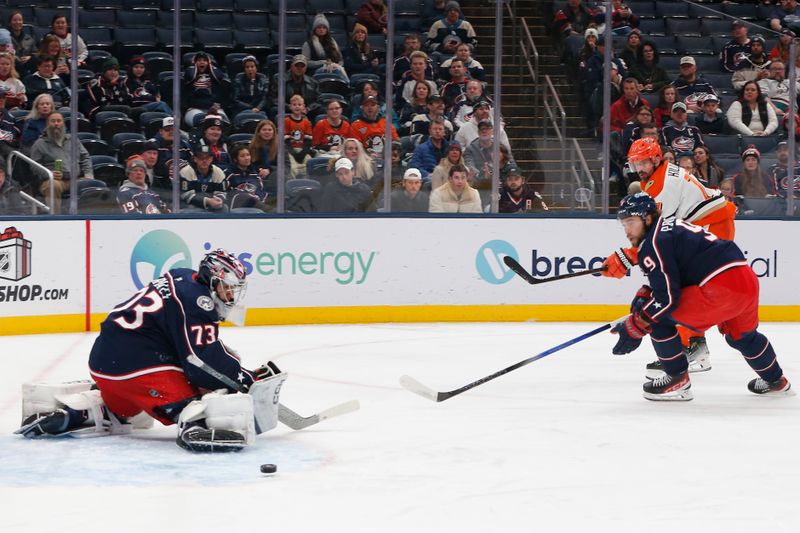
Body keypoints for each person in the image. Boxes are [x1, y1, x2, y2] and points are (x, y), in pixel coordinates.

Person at [16, 248, 285, 453]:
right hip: (137, 369)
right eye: (227, 287)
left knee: (127, 405)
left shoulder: (182, 276)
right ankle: (193, 425)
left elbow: (183, 339)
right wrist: (243, 378)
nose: (230, 295)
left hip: (105, 364)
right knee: (201, 396)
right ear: (212, 280)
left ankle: (85, 412)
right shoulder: (199, 302)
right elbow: (201, 362)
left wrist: (232, 365)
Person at [608, 192, 791, 400]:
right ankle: (776, 380)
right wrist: (648, 293)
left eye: (630, 222)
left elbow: (665, 300)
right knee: (743, 337)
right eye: (623, 224)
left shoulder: (653, 243)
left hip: (718, 288)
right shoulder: (671, 226)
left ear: (647, 218)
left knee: (654, 317)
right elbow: (677, 278)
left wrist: (637, 324)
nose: (627, 231)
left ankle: (677, 379)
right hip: (745, 279)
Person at [603, 137, 737, 379]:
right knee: (682, 287)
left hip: (713, 225)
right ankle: (694, 346)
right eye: (635, 164)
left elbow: (658, 237)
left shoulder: (664, 185)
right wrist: (628, 257)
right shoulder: (655, 178)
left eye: (643, 162)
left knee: (683, 289)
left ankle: (691, 348)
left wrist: (627, 257)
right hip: (709, 222)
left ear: (656, 159)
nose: (639, 169)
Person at [30, 111, 94, 214]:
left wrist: (88, 174)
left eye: (59, 121)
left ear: (63, 123)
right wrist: (49, 173)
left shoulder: (73, 140)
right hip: (54, 181)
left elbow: (85, 157)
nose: (56, 124)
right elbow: (34, 166)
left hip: (76, 179)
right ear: (48, 124)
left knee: (92, 184)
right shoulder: (39, 144)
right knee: (53, 185)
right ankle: (56, 219)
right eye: (53, 121)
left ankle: (89, 219)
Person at [183, 51, 228, 128]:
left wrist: (210, 66)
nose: (202, 62)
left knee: (223, 122)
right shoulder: (190, 71)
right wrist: (194, 65)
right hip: (195, 108)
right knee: (202, 122)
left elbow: (220, 76)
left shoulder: (214, 73)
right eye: (199, 60)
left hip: (213, 107)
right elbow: (190, 75)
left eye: (204, 60)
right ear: (195, 62)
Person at [178, 144, 227, 212]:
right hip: (189, 204)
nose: (204, 160)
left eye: (207, 158)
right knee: (192, 209)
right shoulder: (186, 171)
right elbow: (186, 196)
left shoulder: (218, 172)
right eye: (201, 158)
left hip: (212, 203)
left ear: (211, 159)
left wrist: (219, 200)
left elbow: (222, 193)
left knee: (224, 208)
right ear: (195, 159)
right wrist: (208, 201)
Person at [225, 144, 271, 212]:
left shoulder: (254, 174)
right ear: (235, 159)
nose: (246, 158)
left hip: (255, 205)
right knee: (245, 197)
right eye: (242, 156)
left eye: (248, 155)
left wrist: (258, 196)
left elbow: (261, 191)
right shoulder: (228, 173)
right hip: (236, 205)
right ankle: (273, 212)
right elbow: (226, 193)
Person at [350, 95, 399, 159]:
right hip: (366, 159)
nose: (370, 107)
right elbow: (356, 147)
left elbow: (396, 142)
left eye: (373, 105)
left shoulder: (387, 123)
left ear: (378, 107)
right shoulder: (356, 125)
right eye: (366, 105)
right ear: (362, 108)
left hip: (387, 159)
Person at [301, 14, 347, 80]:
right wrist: (323, 63)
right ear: (315, 29)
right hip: (315, 71)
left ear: (327, 30)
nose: (321, 30)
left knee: (338, 70)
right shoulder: (308, 44)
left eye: (324, 27)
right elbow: (306, 62)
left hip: (334, 69)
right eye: (319, 27)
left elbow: (340, 59)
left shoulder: (332, 42)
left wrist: (338, 66)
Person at [85, 57, 131, 121]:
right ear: (104, 71)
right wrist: (112, 86)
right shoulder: (95, 81)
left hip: (118, 107)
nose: (113, 72)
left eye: (115, 70)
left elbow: (126, 99)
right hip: (99, 109)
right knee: (126, 109)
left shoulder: (120, 82)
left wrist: (115, 85)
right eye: (110, 70)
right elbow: (101, 101)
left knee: (140, 110)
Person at [284, 94, 314, 177]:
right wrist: (293, 153)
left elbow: (308, 141)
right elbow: (285, 141)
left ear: (303, 107)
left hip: (303, 150)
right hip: (290, 151)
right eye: (294, 105)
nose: (297, 107)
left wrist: (302, 153)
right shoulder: (286, 121)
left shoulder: (306, 122)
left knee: (310, 164)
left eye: (299, 105)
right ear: (290, 106)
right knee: (292, 167)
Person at [248, 119, 279, 183]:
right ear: (259, 132)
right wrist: (260, 169)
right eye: (264, 130)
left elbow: (286, 166)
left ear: (274, 133)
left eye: (270, 130)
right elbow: (249, 165)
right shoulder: (251, 148)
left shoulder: (281, 148)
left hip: (275, 178)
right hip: (256, 176)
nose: (267, 132)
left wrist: (269, 170)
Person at [0, 88, 20, 157]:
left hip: (8, 150)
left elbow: (12, 137)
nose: (2, 100)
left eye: (3, 97)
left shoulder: (9, 116)